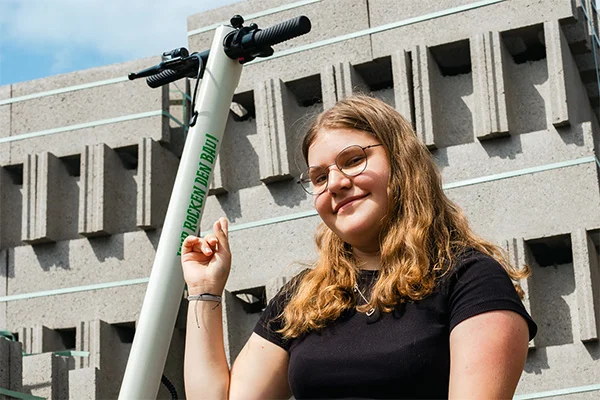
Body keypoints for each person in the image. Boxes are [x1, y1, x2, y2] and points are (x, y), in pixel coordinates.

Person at [181, 94, 537, 399]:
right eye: (319, 177)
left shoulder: (470, 280)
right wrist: (204, 291)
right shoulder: (305, 296)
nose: (334, 183)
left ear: (402, 161)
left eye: (353, 160)